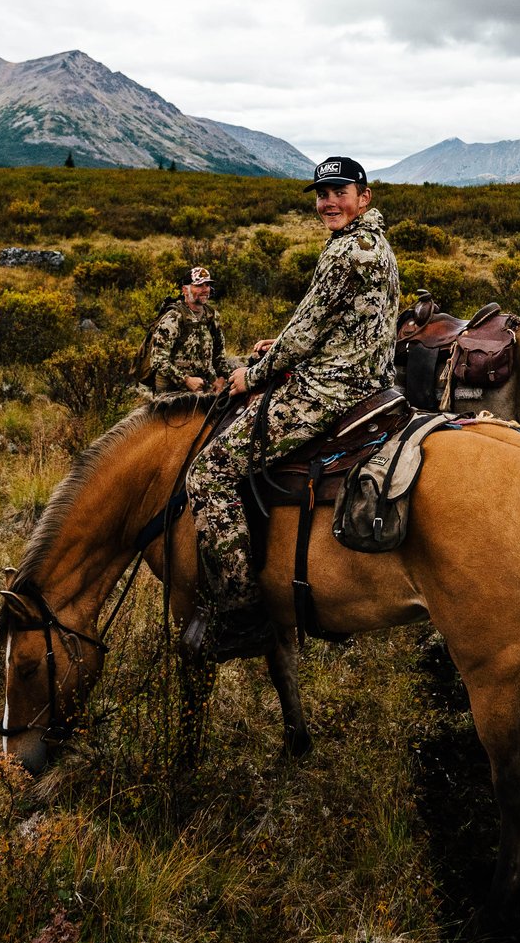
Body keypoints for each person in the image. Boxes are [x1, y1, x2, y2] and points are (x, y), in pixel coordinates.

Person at [185, 156, 400, 656]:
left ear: (364, 197)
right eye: (322, 194)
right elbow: (319, 321)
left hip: (329, 389)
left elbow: (305, 334)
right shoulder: (372, 241)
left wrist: (252, 375)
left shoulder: (347, 251)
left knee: (209, 472)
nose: (329, 202)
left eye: (340, 192)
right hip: (367, 378)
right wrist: (278, 345)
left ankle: (243, 612)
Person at [140, 265, 235, 395]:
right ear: (185, 290)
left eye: (207, 285)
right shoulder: (173, 318)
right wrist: (186, 380)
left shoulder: (211, 316)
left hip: (202, 385)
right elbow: (158, 359)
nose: (205, 290)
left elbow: (219, 355)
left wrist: (221, 379)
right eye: (199, 285)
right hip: (171, 390)